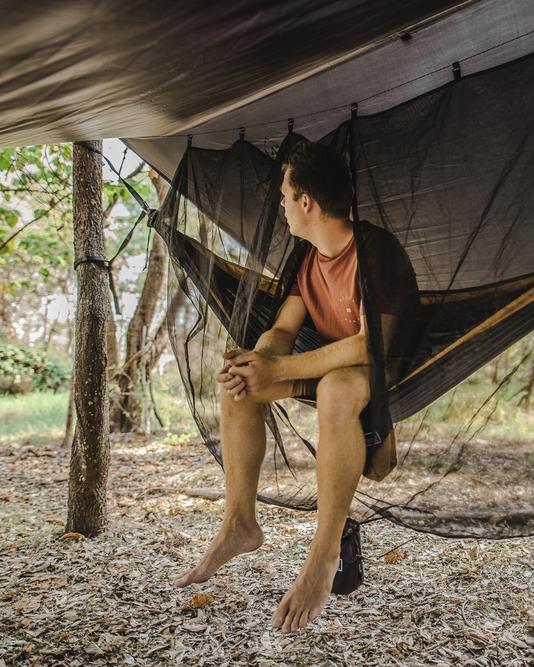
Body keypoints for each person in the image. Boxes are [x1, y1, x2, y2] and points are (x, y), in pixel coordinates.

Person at [172, 140, 419, 633]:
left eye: (285, 196)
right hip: (327, 358)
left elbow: (371, 344)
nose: (281, 206)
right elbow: (284, 329)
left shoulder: (374, 250)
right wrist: (257, 361)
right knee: (239, 386)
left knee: (335, 391)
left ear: (307, 201)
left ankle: (324, 555)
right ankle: (240, 523)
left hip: (385, 367)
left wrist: (279, 372)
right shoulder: (307, 258)